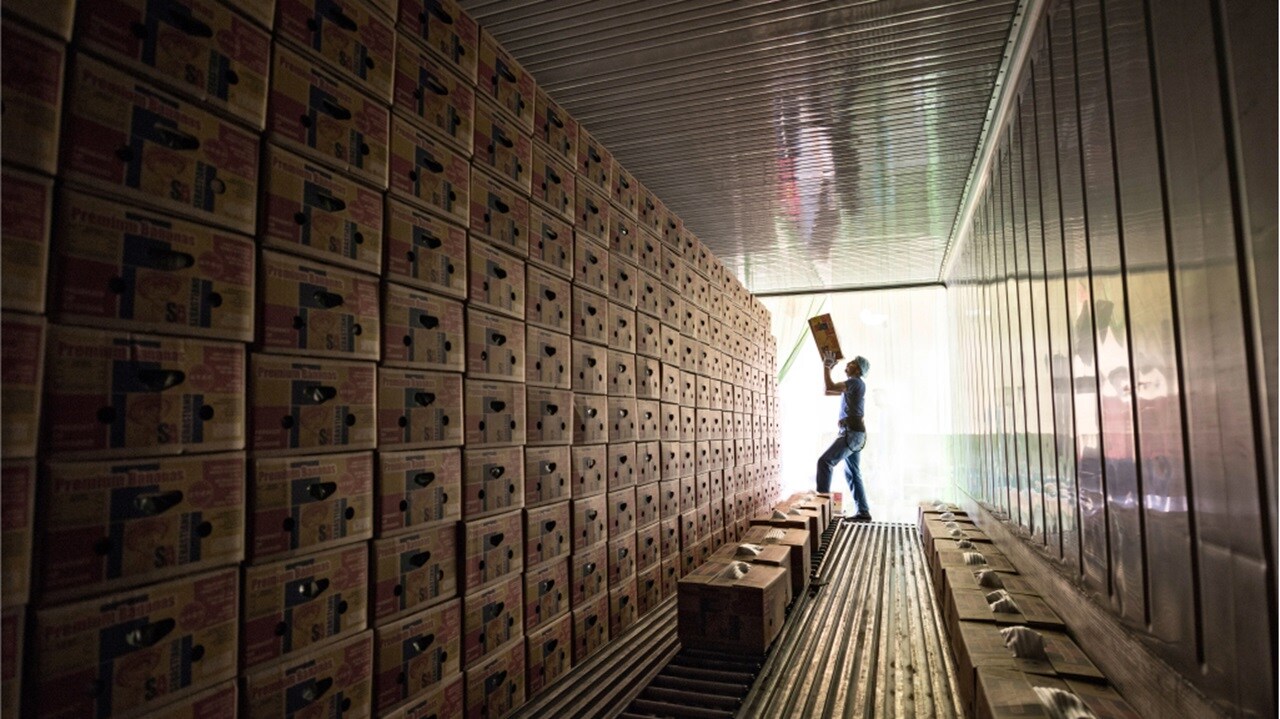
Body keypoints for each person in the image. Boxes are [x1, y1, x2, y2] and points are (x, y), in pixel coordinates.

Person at [816, 351, 871, 521]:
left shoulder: (855, 382)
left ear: (858, 370)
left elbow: (831, 386)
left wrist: (826, 367)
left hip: (851, 434)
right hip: (855, 434)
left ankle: (821, 509)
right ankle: (863, 512)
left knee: (825, 462)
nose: (848, 364)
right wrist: (828, 370)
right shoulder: (853, 384)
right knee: (852, 473)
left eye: (852, 363)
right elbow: (828, 391)